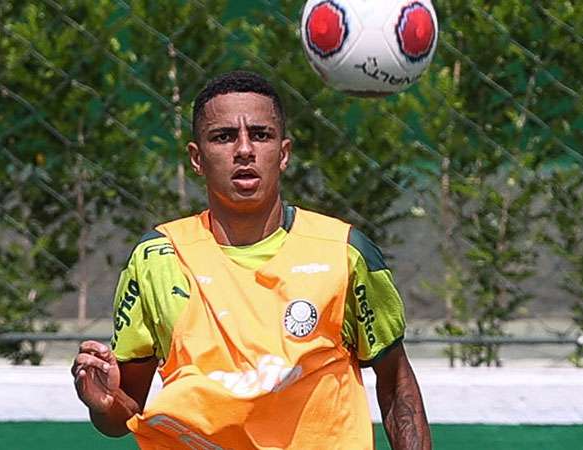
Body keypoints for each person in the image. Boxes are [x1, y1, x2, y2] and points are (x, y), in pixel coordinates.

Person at [72, 70, 431, 449]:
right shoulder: (158, 257)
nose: (244, 150)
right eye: (223, 137)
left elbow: (395, 385)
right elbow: (124, 413)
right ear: (197, 157)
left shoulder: (344, 251)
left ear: (284, 152)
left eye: (260, 135)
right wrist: (104, 401)